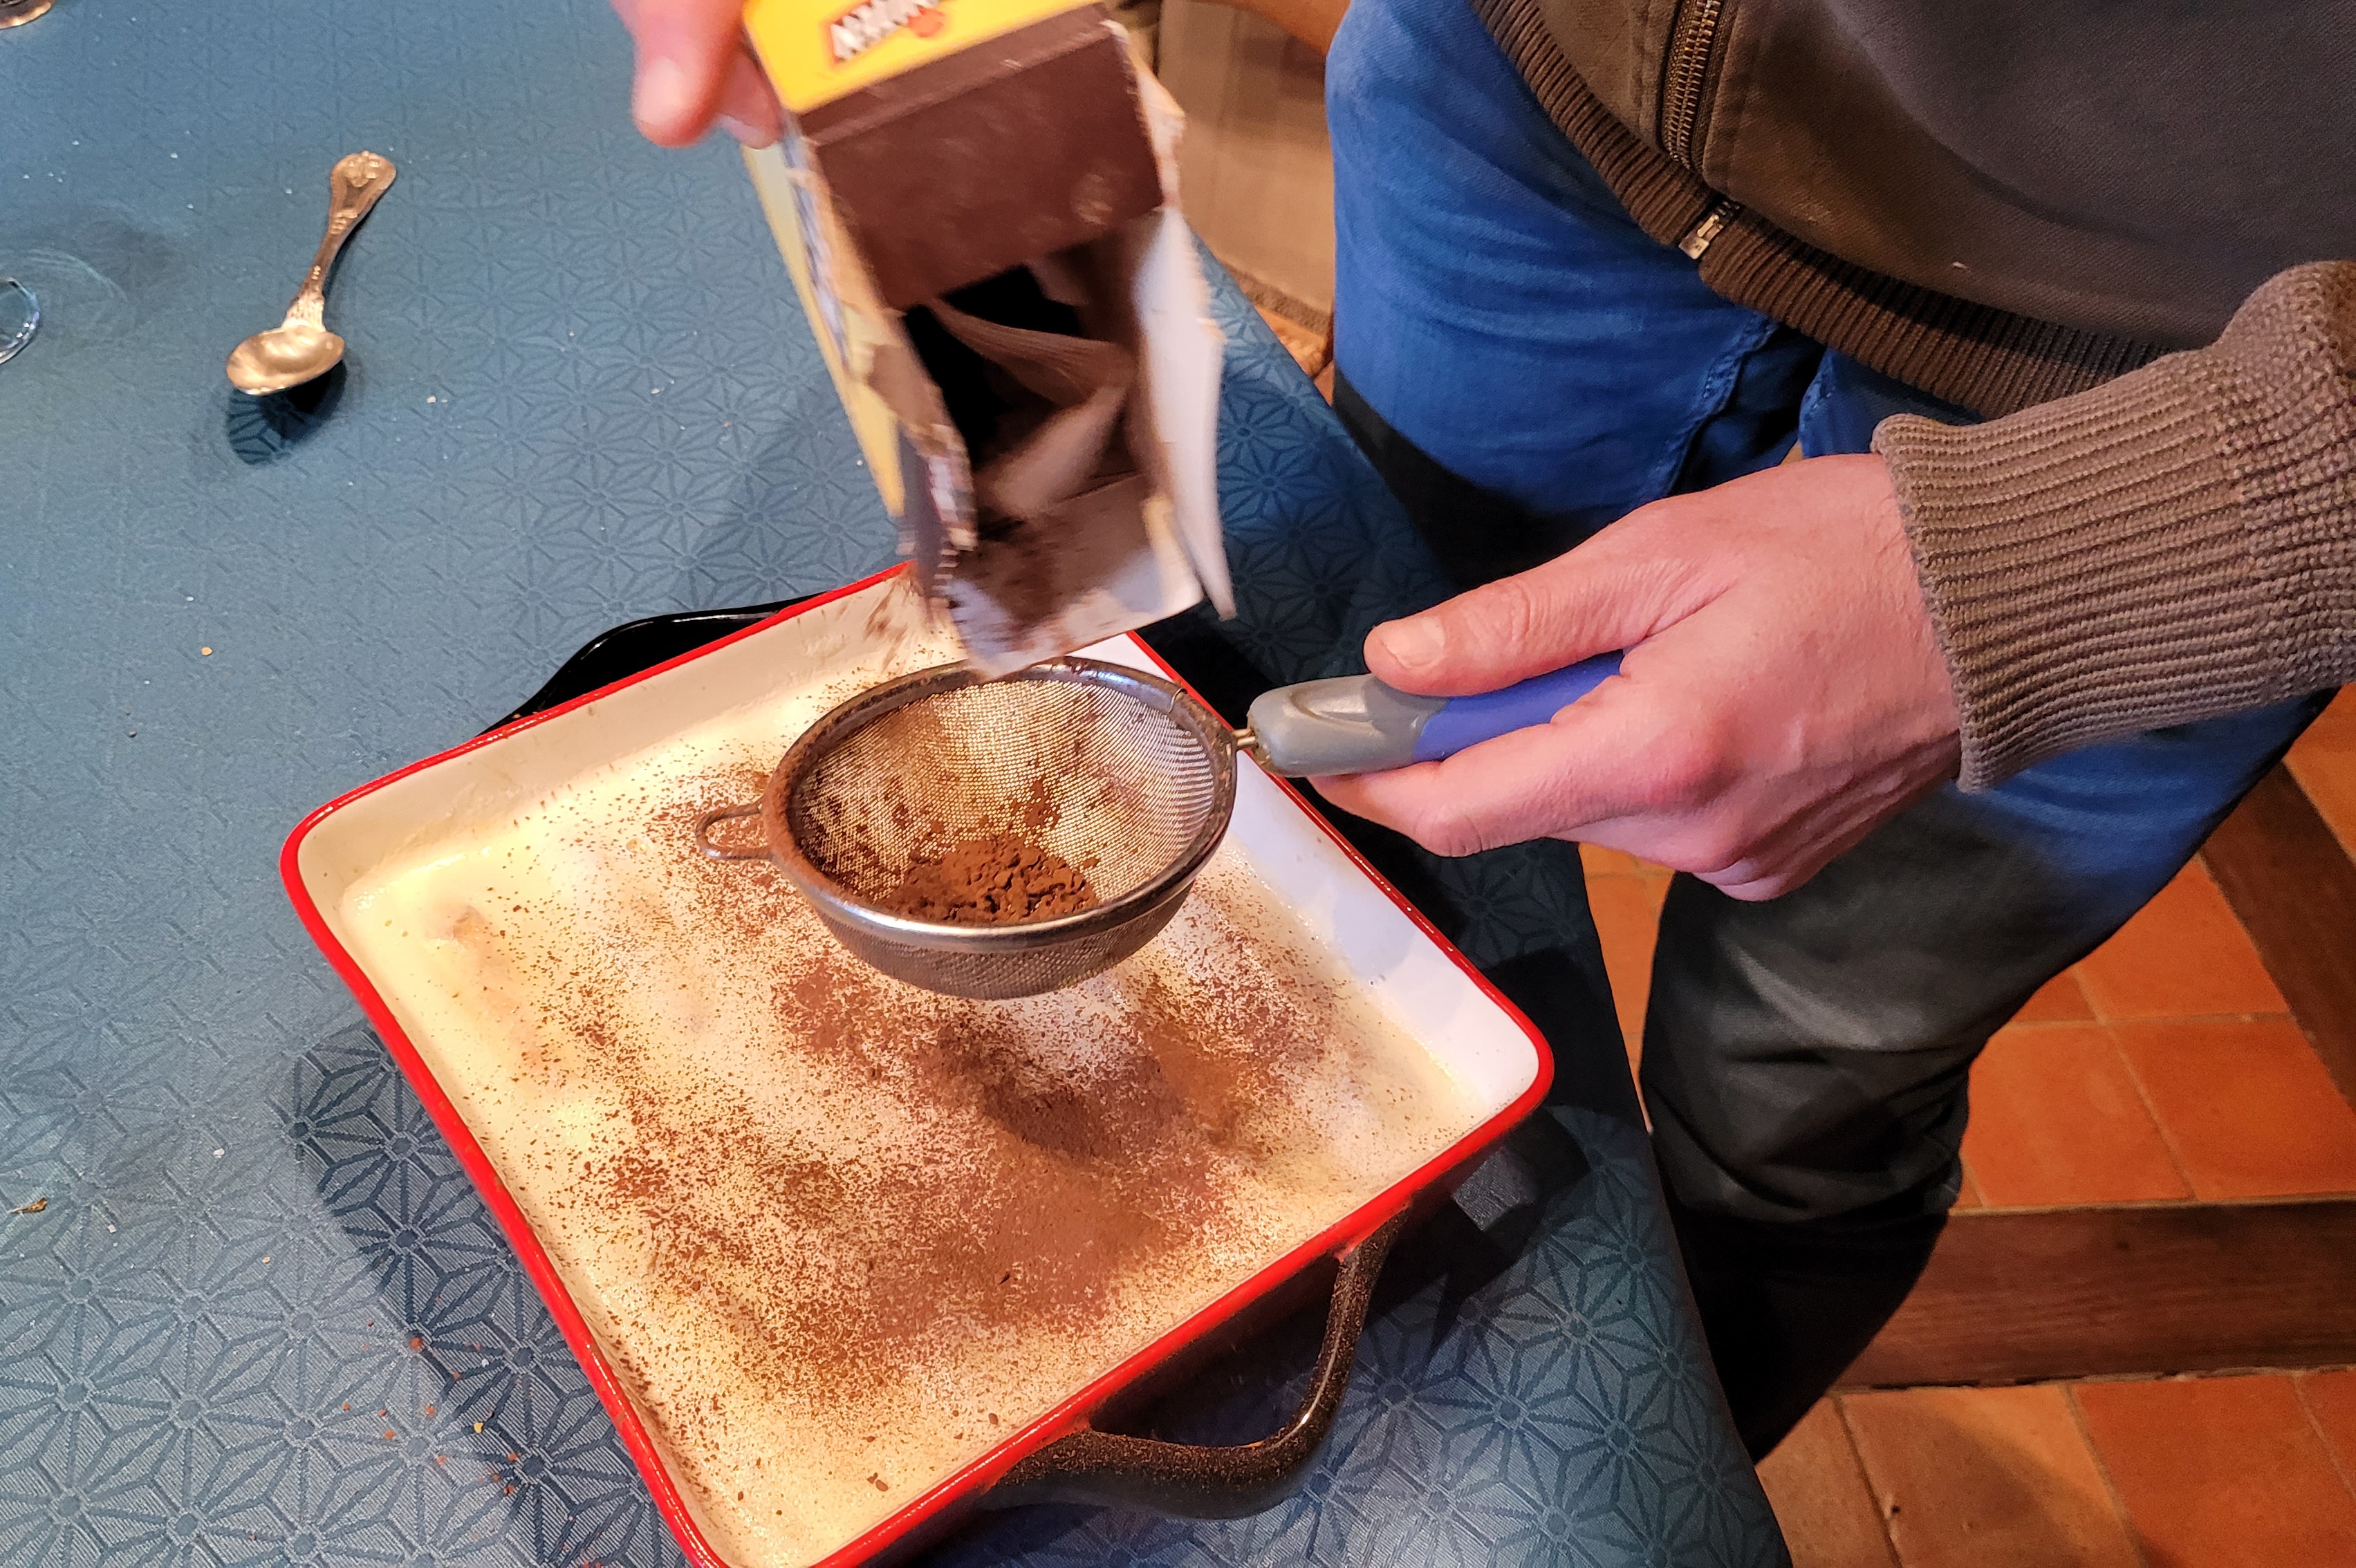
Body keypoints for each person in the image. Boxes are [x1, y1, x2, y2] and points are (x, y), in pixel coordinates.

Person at [609, 0, 2356, 1456]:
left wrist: (2059, 567)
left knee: (1808, 1074)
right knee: (1406, 819)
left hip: (2173, 372)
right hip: (1533, 109)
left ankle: (1680, 1444)